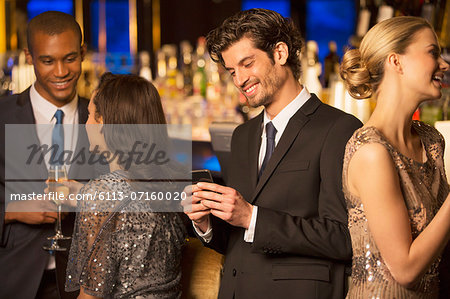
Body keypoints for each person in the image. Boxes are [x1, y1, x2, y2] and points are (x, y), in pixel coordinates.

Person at [184, 8, 363, 298]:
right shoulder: (242, 136)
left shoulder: (340, 129)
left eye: (247, 63)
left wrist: (251, 217)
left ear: (280, 53)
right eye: (232, 71)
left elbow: (343, 238)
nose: (240, 80)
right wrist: (205, 223)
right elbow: (239, 239)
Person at [340, 16, 450, 298]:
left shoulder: (432, 141)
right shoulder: (371, 152)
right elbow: (405, 269)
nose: (444, 65)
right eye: (432, 52)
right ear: (396, 62)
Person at [65, 73, 187, 298]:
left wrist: (91, 198)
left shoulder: (101, 195)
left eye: (90, 115)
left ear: (103, 123)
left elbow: (92, 295)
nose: (86, 123)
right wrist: (84, 195)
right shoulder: (171, 180)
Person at [0, 11, 93, 299]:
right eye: (48, 61)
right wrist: (10, 211)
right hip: (13, 278)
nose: (61, 72)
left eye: (69, 58)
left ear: (82, 52)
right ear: (30, 56)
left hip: (85, 285)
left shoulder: (104, 119)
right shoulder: (2, 116)